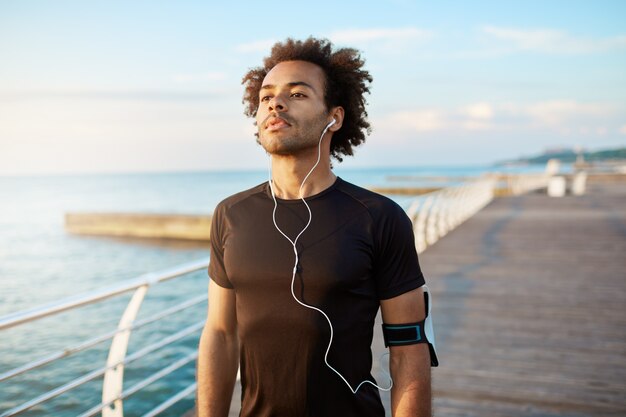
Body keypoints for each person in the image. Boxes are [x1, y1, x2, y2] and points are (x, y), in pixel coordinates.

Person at [197, 37, 434, 417]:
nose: (275, 103)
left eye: (298, 94)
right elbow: (221, 334)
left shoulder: (379, 217)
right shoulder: (230, 214)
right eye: (266, 97)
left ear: (334, 117)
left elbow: (409, 349)